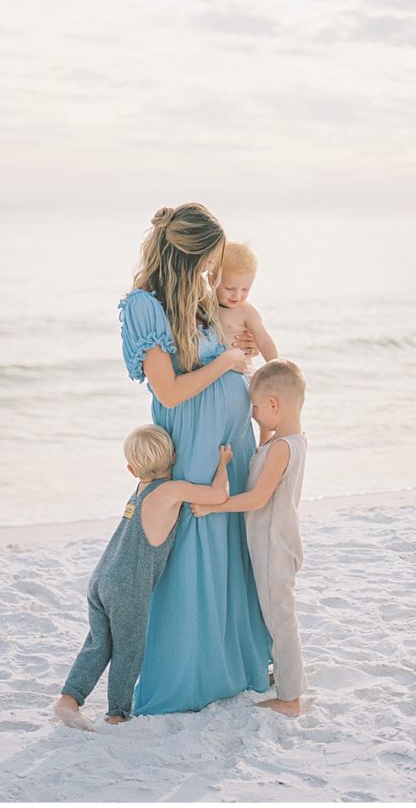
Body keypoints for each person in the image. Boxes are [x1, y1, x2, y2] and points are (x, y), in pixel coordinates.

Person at [118, 203, 271, 715]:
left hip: (231, 435)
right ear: (185, 255)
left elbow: (239, 342)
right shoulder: (146, 304)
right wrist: (228, 360)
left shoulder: (201, 299)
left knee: (232, 544)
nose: (213, 271)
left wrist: (240, 347)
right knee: (192, 548)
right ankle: (189, 674)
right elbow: (170, 389)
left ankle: (235, 665)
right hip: (191, 438)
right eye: (207, 260)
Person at [54, 425, 232, 729]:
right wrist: (224, 463)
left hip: (102, 577)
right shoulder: (171, 491)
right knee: (129, 649)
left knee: (99, 644)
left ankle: (68, 700)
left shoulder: (139, 489)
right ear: (175, 456)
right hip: (127, 587)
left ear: (132, 469)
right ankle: (118, 713)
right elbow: (217, 495)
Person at [191, 359, 307, 717]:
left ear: (274, 405)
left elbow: (258, 499)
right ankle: (286, 675)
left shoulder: (281, 450)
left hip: (272, 547)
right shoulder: (293, 440)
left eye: (255, 407)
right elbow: (266, 448)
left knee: (281, 619)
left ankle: (290, 699)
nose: (253, 415)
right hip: (281, 540)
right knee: (276, 613)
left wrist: (214, 507)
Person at [209, 241, 279, 365]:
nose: (237, 295)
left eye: (245, 289)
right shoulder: (202, 303)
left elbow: (264, 341)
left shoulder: (246, 311)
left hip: (239, 371)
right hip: (207, 372)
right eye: (229, 288)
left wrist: (275, 366)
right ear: (212, 280)